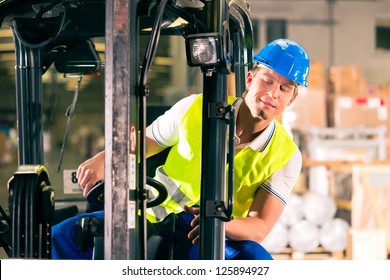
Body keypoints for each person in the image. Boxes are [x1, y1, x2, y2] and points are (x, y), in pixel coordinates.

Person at [51, 38, 310, 260]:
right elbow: (143, 143)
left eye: (284, 88)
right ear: (251, 79)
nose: (273, 93)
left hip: (208, 232)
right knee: (65, 235)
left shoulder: (286, 155)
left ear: (292, 98)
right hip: (150, 215)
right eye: (267, 81)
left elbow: (261, 225)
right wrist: (106, 156)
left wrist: (223, 224)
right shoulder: (195, 108)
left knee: (255, 260)